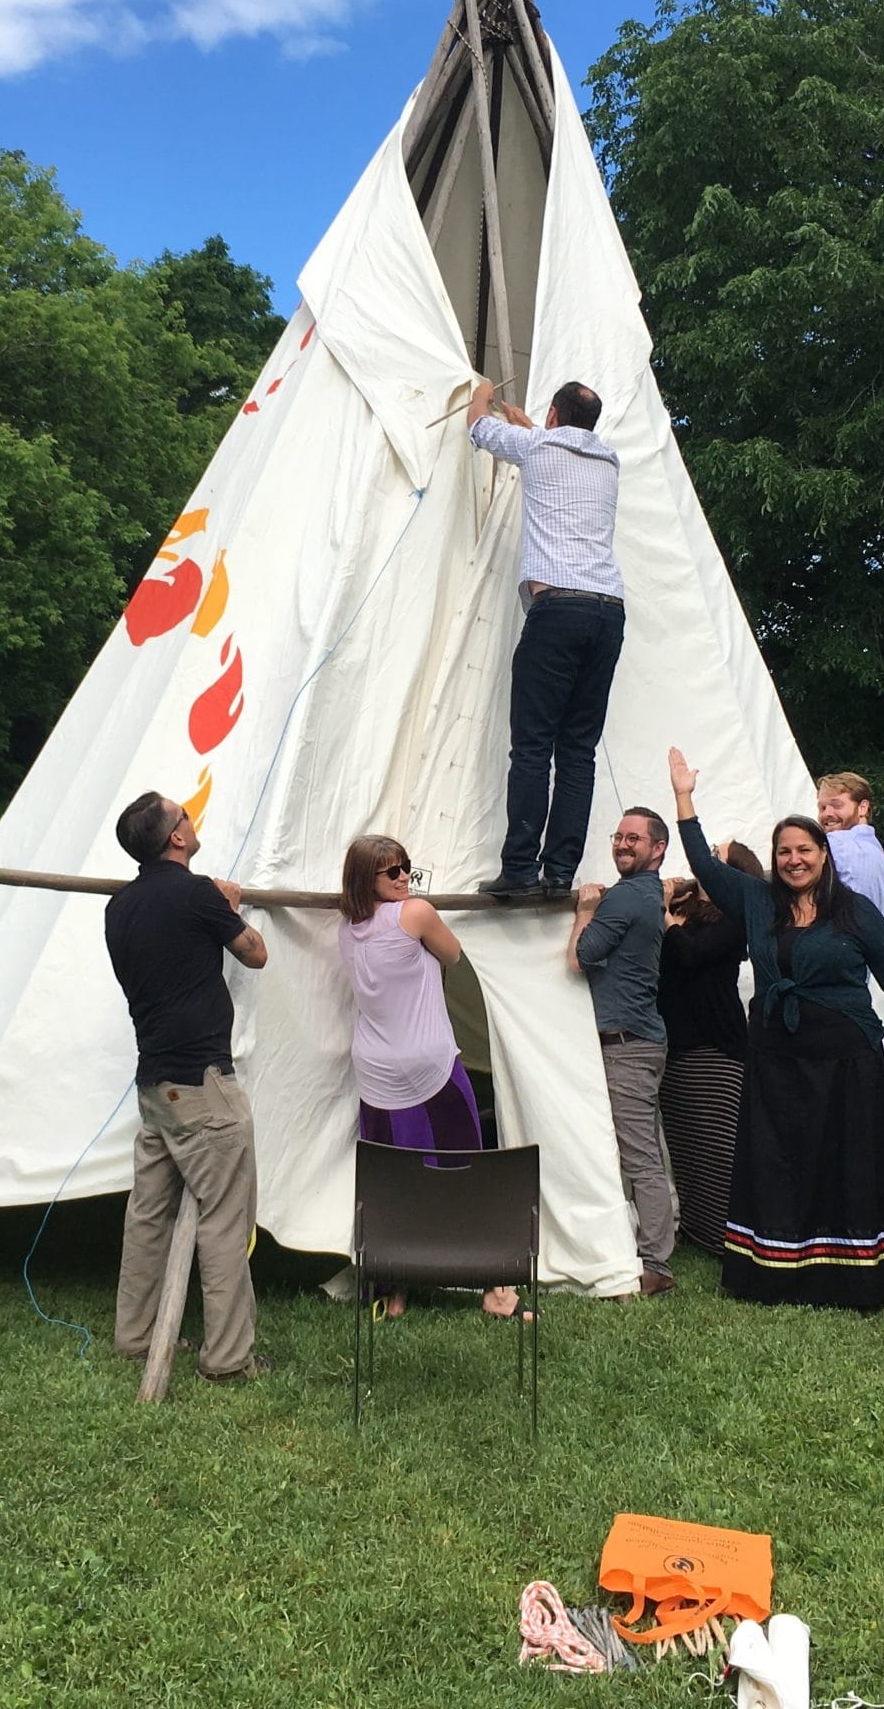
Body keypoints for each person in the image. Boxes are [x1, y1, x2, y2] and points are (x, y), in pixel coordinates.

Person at [670, 748, 884, 1311]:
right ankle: (776, 1269)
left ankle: (852, 1277)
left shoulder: (853, 911)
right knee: (778, 1162)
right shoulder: (756, 901)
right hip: (775, 1055)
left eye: (804, 850)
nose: (794, 860)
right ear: (775, 859)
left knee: (842, 1164)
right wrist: (684, 800)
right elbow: (705, 865)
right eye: (785, 852)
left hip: (846, 1059)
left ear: (825, 854)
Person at [105, 791, 271, 1382]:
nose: (192, 820)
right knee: (225, 1220)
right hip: (202, 1083)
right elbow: (255, 955)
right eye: (185, 816)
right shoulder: (198, 894)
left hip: (154, 1083)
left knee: (147, 1215)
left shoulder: (118, 908)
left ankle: (135, 1336)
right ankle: (228, 1360)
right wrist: (230, 909)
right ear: (176, 837)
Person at [336, 835, 519, 1321]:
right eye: (391, 871)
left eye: (405, 869)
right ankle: (494, 1286)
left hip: (374, 1067)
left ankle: (394, 1290)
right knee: (464, 1169)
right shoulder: (414, 913)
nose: (402, 878)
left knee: (393, 1182)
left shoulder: (347, 928)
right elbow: (453, 955)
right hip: (428, 1065)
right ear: (366, 879)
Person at [466, 375, 624, 898]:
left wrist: (482, 394)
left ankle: (518, 872)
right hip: (608, 611)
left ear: (553, 416)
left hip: (558, 609)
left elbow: (477, 430)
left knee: (532, 746)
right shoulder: (607, 461)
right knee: (577, 751)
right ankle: (560, 875)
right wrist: (532, 425)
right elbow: (554, 444)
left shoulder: (535, 446)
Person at [568, 807, 677, 1297]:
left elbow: (579, 958)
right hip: (639, 1039)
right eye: (619, 836)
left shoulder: (628, 896)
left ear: (657, 849)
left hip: (626, 1044)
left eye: (634, 838)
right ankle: (643, 1247)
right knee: (643, 1151)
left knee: (639, 1158)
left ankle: (656, 1265)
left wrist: (585, 911)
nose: (622, 844)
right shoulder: (649, 892)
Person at [656, 843, 762, 1258]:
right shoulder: (689, 907)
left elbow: (690, 953)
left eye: (715, 855)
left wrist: (666, 915)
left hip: (715, 1043)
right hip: (678, 1040)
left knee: (719, 1144)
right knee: (686, 1144)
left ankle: (728, 1233)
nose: (704, 860)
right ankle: (700, 1228)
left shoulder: (738, 916)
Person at [816, 772, 884, 916]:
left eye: (837, 805)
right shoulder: (875, 848)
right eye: (822, 808)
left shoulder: (834, 843)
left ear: (862, 808)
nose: (826, 813)